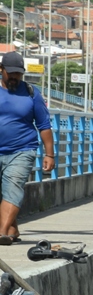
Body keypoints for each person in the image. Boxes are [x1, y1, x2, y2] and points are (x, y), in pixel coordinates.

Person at [0, 51, 55, 246]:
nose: (15, 77)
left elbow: (44, 125)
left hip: (22, 150)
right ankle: (12, 229)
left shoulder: (32, 93)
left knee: (13, 189)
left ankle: (2, 232)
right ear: (1, 70)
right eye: (11, 73)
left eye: (18, 73)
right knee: (4, 193)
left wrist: (49, 154)